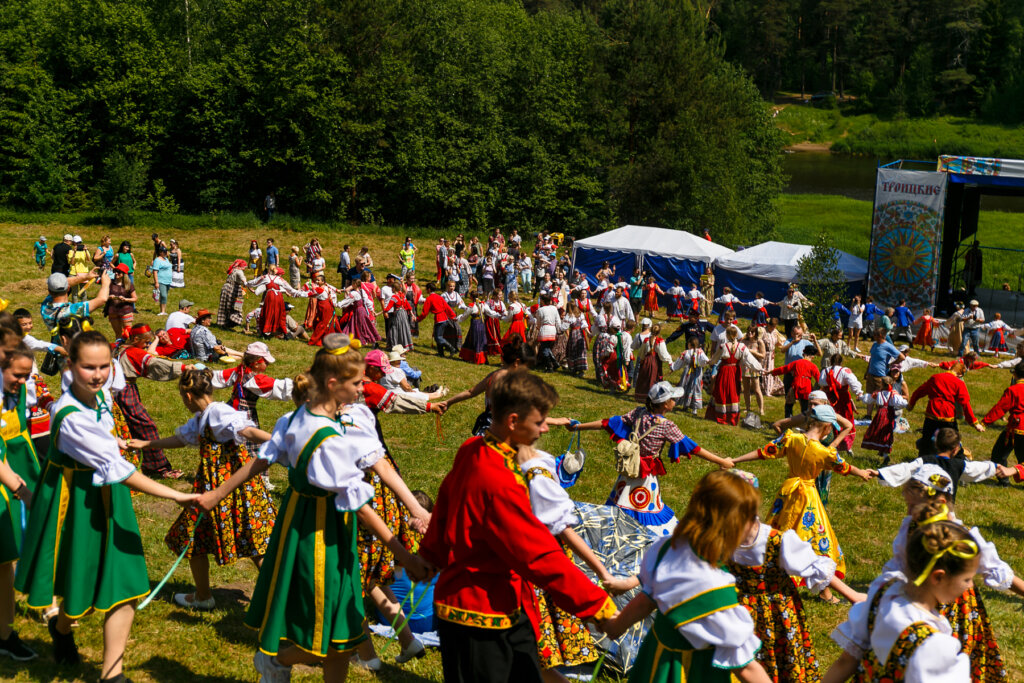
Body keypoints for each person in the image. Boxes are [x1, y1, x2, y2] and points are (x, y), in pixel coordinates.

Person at [198, 334, 430, 681]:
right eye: (357, 383)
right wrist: (406, 557)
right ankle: (277, 661)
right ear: (333, 384)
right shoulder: (324, 439)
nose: (362, 389)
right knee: (322, 633)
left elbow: (264, 460)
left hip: (327, 529)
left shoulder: (312, 419)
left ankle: (282, 661)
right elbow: (360, 507)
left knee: (341, 638)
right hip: (316, 535)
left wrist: (218, 493)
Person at [15, 331, 198, 678]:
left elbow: (107, 442)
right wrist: (178, 495)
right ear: (71, 366)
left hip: (108, 494)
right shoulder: (71, 416)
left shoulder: (98, 393)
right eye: (89, 367)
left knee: (124, 583)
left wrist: (114, 440)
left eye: (104, 366)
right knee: (79, 583)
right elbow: (117, 469)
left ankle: (112, 675)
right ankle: (62, 628)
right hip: (77, 502)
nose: (99, 375)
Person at [419, 369, 617, 683]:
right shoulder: (498, 479)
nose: (544, 429)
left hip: (507, 603)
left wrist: (431, 554)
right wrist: (598, 606)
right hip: (479, 615)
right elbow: (537, 554)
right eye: (539, 422)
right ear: (513, 421)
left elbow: (445, 505)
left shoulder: (474, 449)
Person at [602, 470, 771, 683]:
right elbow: (746, 668)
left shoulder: (666, 548)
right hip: (693, 672)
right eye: (751, 518)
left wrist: (617, 626)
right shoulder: (715, 588)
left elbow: (647, 599)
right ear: (732, 526)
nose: (756, 524)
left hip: (655, 661)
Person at [128, 367, 275, 611]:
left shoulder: (217, 413)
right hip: (223, 490)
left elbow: (246, 431)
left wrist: (276, 441)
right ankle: (205, 595)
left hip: (228, 492)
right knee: (237, 540)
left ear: (187, 396)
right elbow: (182, 439)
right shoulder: (203, 417)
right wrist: (146, 444)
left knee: (210, 537)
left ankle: (278, 597)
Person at [726, 471, 862, 683]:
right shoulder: (720, 538)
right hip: (743, 613)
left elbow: (813, 566)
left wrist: (852, 595)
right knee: (745, 662)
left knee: (782, 660)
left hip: (777, 615)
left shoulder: (776, 541)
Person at [732, 405, 875, 603]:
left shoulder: (790, 438)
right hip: (808, 499)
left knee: (777, 533)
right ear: (827, 428)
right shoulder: (825, 452)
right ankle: (825, 592)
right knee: (817, 540)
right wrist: (861, 473)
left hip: (786, 495)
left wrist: (735, 460)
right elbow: (845, 467)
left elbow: (764, 452)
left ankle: (766, 576)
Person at [825, 499, 977, 682]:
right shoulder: (934, 646)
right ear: (938, 577)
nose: (970, 586)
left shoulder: (883, 595)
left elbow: (846, 661)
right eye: (966, 579)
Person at [570, 382, 734, 536]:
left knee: (621, 503)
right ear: (665, 404)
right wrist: (721, 461)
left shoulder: (638, 413)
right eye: (673, 398)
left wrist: (578, 426)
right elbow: (693, 448)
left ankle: (615, 533)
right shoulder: (666, 426)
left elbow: (607, 423)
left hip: (628, 470)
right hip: (645, 475)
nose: (675, 401)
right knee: (644, 509)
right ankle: (639, 537)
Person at [116, 324, 187, 479]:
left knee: (128, 427)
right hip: (124, 392)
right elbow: (155, 363)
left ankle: (136, 463)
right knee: (145, 426)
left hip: (119, 390)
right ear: (136, 339)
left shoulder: (119, 347)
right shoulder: (133, 352)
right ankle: (159, 468)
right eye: (146, 342)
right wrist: (183, 368)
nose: (147, 345)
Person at [907, 361, 984, 454]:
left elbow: (919, 391)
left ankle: (923, 459)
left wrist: (911, 404)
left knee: (926, 442)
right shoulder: (959, 383)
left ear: (950, 368)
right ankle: (957, 459)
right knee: (953, 442)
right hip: (948, 416)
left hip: (932, 413)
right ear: (960, 375)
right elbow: (965, 404)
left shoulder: (935, 377)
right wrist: (974, 423)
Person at [708, 325, 759, 425]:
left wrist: (709, 362)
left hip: (724, 371)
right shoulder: (742, 347)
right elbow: (750, 360)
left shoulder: (723, 346)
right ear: (736, 335)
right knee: (733, 392)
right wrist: (760, 368)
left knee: (722, 391)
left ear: (727, 335)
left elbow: (714, 359)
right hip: (735, 371)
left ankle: (721, 415)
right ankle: (731, 417)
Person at [983, 362, 1024, 484]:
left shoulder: (1013, 390)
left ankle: (1003, 480)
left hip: (1016, 428)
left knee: (998, 454)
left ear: (1015, 375)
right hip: (1016, 428)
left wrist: (985, 422)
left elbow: (1000, 409)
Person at [40, 270, 111, 332]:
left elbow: (60, 285)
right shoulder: (72, 311)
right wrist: (106, 283)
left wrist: (86, 277)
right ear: (68, 288)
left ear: (49, 291)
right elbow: (102, 299)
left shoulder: (45, 307)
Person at [820, 353, 863, 454]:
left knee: (831, 419)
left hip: (829, 398)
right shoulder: (845, 371)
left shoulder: (825, 371)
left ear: (830, 361)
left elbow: (821, 382)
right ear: (841, 362)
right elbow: (853, 383)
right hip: (842, 398)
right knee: (845, 419)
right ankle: (847, 446)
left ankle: (831, 443)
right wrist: (859, 393)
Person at [861, 375, 909, 465]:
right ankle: (883, 452)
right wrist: (907, 405)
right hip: (889, 415)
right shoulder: (894, 394)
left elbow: (869, 399)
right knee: (886, 433)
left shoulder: (878, 394)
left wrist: (860, 397)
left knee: (877, 431)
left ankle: (884, 454)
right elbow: (900, 403)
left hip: (880, 414)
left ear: (882, 384)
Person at [247, 266, 307, 338]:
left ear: (268, 270)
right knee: (280, 313)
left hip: (270, 297)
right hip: (278, 297)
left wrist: (246, 284)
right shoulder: (279, 279)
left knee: (267, 313)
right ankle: (284, 332)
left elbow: (254, 282)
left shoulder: (265, 277)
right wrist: (301, 293)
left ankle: (266, 331)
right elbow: (290, 289)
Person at [771, 344, 820, 419]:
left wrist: (772, 372)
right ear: (813, 357)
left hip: (796, 385)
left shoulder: (797, 362)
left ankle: (788, 421)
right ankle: (804, 423)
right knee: (805, 407)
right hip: (807, 387)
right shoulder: (813, 366)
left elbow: (784, 369)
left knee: (788, 405)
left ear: (803, 354)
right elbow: (819, 379)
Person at [103, 263, 137, 339]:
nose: (116, 273)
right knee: (118, 334)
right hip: (113, 311)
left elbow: (135, 298)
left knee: (128, 334)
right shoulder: (110, 283)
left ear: (124, 274)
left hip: (126, 311)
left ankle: (128, 346)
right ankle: (119, 345)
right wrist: (109, 297)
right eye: (115, 271)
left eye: (118, 272)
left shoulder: (129, 285)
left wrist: (125, 299)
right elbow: (102, 296)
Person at [216, 258, 248, 329]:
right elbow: (242, 278)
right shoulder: (239, 271)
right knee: (235, 306)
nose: (245, 269)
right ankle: (233, 321)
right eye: (244, 267)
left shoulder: (233, 270)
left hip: (226, 288)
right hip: (233, 290)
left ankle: (223, 322)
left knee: (224, 305)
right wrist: (246, 283)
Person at [146, 246, 173, 316]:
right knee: (163, 295)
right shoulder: (157, 260)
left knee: (165, 295)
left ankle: (164, 310)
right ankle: (162, 311)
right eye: (164, 252)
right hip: (161, 280)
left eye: (166, 251)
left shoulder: (166, 259)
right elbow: (155, 271)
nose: (165, 253)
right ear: (160, 252)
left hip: (168, 281)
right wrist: (156, 282)